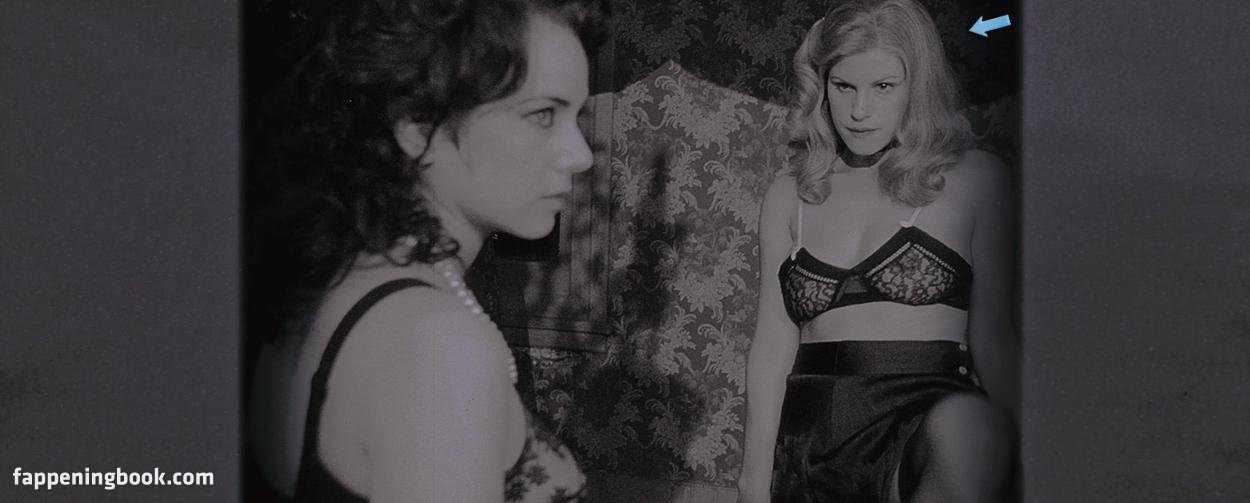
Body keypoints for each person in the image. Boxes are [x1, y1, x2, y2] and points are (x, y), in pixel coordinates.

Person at [244, 1, 608, 501]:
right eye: (543, 114)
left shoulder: (342, 279)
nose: (580, 155)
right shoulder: (440, 346)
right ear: (417, 126)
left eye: (577, 115)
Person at [737, 0, 1018, 502]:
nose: (859, 110)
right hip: (813, 437)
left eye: (883, 86)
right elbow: (772, 345)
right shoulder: (791, 194)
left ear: (918, 86)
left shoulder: (974, 180)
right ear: (822, 85)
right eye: (843, 86)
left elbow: (995, 338)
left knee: (974, 427)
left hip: (925, 425)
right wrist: (752, 481)